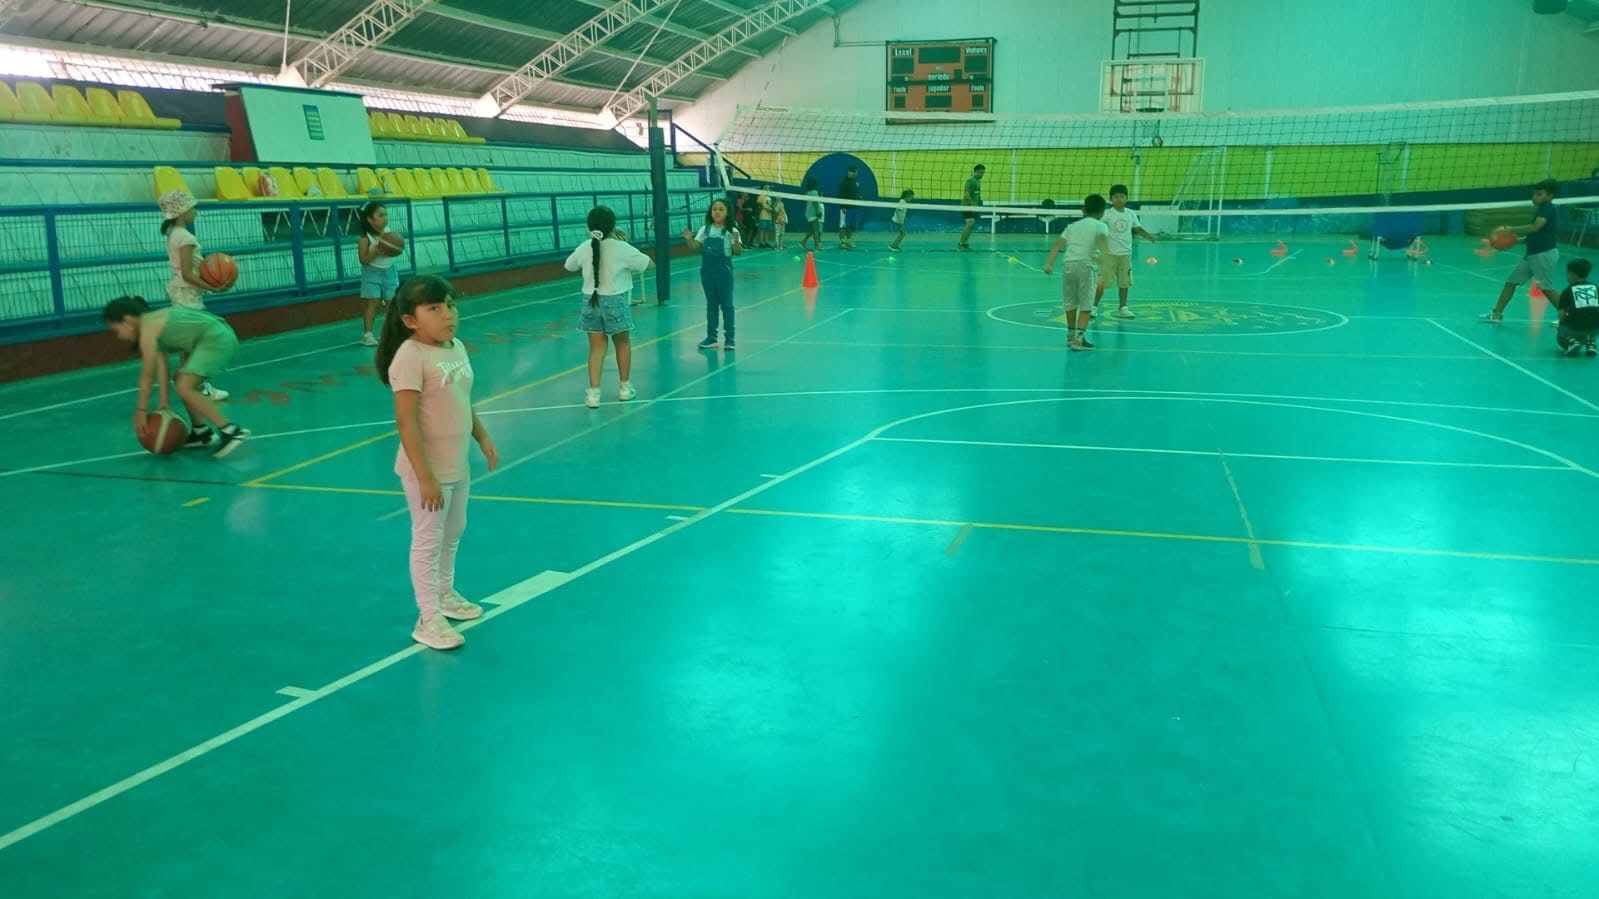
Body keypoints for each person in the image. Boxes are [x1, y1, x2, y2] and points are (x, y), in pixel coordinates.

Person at [375, 275, 499, 651]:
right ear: (411, 320)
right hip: (425, 471)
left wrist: (482, 436)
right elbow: (406, 421)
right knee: (428, 541)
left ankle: (445, 593)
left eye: (450, 305)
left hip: (456, 464)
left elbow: (463, 399)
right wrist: (425, 476)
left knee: (454, 530)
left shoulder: (456, 347)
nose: (448, 315)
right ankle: (428, 618)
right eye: (434, 308)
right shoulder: (411, 357)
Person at [103, 296, 249, 458]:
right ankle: (201, 433)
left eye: (116, 330)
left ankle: (231, 431)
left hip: (216, 339)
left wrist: (141, 411)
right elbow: (161, 369)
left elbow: (147, 376)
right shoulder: (154, 323)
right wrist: (163, 402)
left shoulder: (148, 330)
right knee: (180, 379)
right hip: (214, 336)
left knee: (185, 386)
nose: (119, 336)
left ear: (128, 321)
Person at [565, 206, 652, 407]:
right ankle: (624, 388)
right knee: (622, 344)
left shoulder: (585, 246)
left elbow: (569, 265)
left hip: (591, 300)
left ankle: (593, 394)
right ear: (613, 225)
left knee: (596, 348)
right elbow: (648, 264)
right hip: (615, 300)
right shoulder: (621, 247)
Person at [158, 189, 229, 400]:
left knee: (189, 343)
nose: (195, 211)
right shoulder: (186, 237)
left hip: (182, 293)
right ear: (182, 212)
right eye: (192, 207)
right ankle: (199, 387)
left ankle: (185, 381)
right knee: (198, 342)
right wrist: (213, 286)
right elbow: (189, 274)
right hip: (188, 294)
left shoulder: (174, 234)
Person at [1481, 179, 1561, 323]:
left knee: (1546, 288)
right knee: (1511, 281)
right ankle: (1496, 314)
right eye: (1534, 194)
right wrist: (1515, 241)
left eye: (1539, 194)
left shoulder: (1548, 208)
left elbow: (1535, 227)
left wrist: (1510, 229)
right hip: (1532, 255)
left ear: (1550, 196)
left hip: (1543, 254)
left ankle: (1568, 317)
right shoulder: (1542, 209)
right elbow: (1536, 233)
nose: (1535, 197)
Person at [1043, 194, 1112, 351]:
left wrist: (1049, 264)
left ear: (1083, 210)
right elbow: (1103, 244)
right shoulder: (1101, 226)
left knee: (1070, 302)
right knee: (1087, 303)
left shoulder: (1072, 226)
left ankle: (1070, 336)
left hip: (1068, 264)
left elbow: (1057, 245)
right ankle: (1079, 340)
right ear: (1102, 212)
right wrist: (1107, 265)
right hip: (1086, 265)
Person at [683, 198, 742, 350]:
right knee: (711, 305)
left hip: (724, 271)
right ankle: (711, 338)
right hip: (707, 271)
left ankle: (730, 339)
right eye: (714, 209)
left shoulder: (732, 231)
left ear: (727, 212)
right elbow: (695, 248)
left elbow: (738, 253)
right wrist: (689, 239)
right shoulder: (705, 229)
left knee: (727, 305)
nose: (717, 211)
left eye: (721, 209)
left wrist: (735, 242)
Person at [1095, 184, 1156, 319]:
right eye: (1116, 197)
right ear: (1111, 199)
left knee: (1124, 282)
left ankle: (1123, 308)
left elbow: (1137, 229)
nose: (1119, 199)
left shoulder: (1131, 214)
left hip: (1125, 254)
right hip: (1109, 254)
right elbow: (1097, 224)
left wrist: (1149, 236)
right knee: (1102, 282)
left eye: (1122, 197)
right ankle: (1093, 307)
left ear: (1126, 198)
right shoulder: (1107, 214)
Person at [356, 201, 402, 347]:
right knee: (372, 303)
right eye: (381, 215)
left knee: (391, 303)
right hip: (372, 273)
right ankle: (367, 335)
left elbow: (395, 250)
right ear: (370, 219)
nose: (385, 218)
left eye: (386, 215)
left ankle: (389, 333)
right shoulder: (364, 237)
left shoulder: (389, 233)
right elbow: (363, 260)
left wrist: (395, 249)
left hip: (389, 271)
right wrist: (374, 253)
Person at [1555, 258, 1597, 357]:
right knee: (1591, 323)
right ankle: (1591, 342)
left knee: (1559, 326)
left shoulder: (1568, 291)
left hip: (1576, 328)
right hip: (1595, 328)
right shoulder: (1595, 288)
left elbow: (1561, 314)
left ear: (1572, 274)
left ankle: (1572, 342)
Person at [957, 163, 985, 251]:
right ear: (976, 171)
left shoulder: (978, 181)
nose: (982, 175)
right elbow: (967, 195)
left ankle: (964, 243)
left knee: (971, 224)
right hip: (967, 206)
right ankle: (961, 243)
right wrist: (973, 204)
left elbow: (976, 195)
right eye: (981, 173)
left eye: (983, 173)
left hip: (973, 206)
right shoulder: (970, 180)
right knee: (970, 222)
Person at [837, 166, 861, 250]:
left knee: (850, 226)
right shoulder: (844, 183)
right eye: (853, 172)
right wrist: (842, 207)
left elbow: (857, 192)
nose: (854, 174)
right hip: (845, 208)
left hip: (854, 207)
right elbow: (840, 195)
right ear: (849, 172)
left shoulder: (855, 181)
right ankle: (842, 242)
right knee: (843, 225)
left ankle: (848, 241)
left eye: (855, 173)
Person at [800, 175, 823, 251]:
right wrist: (818, 212)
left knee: (812, 230)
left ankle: (803, 242)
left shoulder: (808, 192)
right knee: (816, 230)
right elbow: (815, 203)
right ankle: (817, 245)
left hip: (808, 213)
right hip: (813, 213)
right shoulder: (814, 192)